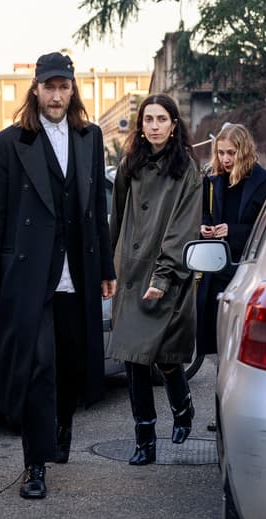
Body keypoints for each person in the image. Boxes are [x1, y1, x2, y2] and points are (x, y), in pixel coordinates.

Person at [0, 51, 116, 500]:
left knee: (73, 365)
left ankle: (60, 425)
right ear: (35, 90)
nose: (56, 95)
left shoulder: (89, 138)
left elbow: (97, 212)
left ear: (72, 91)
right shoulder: (9, 143)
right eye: (49, 87)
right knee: (37, 367)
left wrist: (106, 267)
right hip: (29, 276)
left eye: (63, 87)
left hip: (78, 269)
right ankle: (34, 464)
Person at [108, 93, 202, 465]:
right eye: (148, 120)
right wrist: (106, 269)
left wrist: (163, 277)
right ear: (141, 126)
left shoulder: (188, 172)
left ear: (174, 125)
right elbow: (116, 217)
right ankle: (145, 438)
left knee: (163, 356)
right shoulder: (129, 164)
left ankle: (182, 406)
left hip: (167, 270)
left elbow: (182, 229)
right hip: (129, 272)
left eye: (162, 119)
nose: (155, 126)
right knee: (133, 357)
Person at [196, 124, 266, 431]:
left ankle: (245, 409)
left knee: (242, 344)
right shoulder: (212, 179)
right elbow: (204, 215)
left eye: (231, 153)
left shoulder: (263, 181)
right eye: (221, 152)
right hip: (216, 269)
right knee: (218, 346)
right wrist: (205, 229)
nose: (225, 159)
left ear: (243, 150)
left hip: (246, 271)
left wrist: (234, 231)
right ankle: (221, 411)